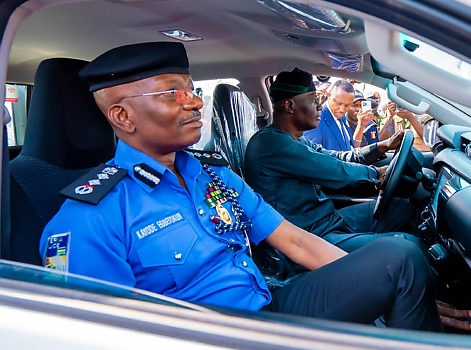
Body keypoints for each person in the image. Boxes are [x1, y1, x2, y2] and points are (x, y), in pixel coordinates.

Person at [38, 42, 449, 332]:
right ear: (123, 117)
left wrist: (385, 290)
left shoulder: (213, 175)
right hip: (220, 337)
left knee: (399, 258)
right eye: (172, 94)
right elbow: (106, 336)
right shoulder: (88, 218)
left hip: (270, 305)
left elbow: (295, 242)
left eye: (191, 89)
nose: (195, 102)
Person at [245, 68, 422, 254]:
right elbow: (335, 170)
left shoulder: (295, 139)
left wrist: (382, 146)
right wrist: (376, 175)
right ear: (289, 106)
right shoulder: (271, 142)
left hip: (324, 220)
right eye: (314, 100)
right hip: (306, 236)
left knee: (402, 209)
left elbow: (337, 157)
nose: (320, 106)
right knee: (408, 247)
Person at [303, 79, 354, 150]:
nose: (342, 109)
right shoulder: (315, 120)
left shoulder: (343, 118)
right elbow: (311, 155)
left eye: (347, 105)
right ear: (329, 96)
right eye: (338, 103)